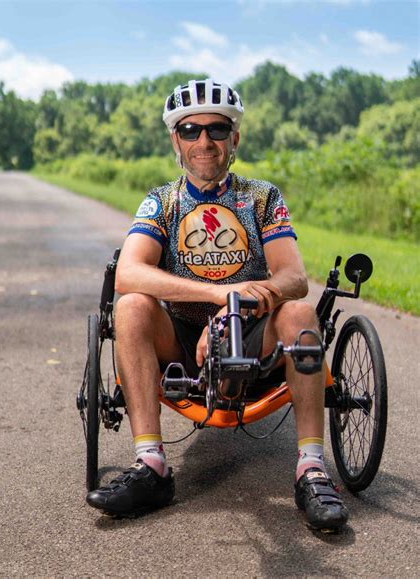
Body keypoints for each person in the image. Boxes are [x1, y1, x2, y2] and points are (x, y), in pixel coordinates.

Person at [86, 79, 349, 531]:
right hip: (183, 338)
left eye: (217, 129)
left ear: (234, 138)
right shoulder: (161, 201)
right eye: (190, 130)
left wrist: (237, 310)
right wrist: (217, 295)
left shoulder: (261, 197)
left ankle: (312, 469)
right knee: (129, 306)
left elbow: (293, 278)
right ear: (176, 139)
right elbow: (129, 274)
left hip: (254, 334)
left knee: (302, 316)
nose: (204, 141)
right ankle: (152, 466)